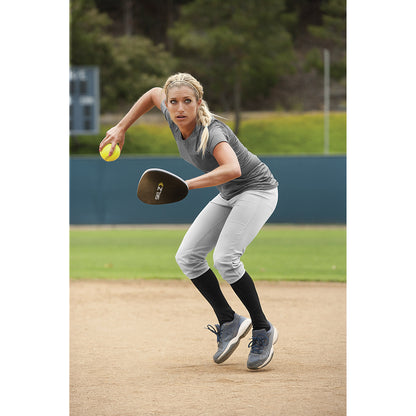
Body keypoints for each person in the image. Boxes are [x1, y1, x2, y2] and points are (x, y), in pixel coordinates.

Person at [99, 73, 279, 370]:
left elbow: (232, 168)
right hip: (229, 193)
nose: (180, 108)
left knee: (225, 259)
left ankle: (262, 328)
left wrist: (187, 185)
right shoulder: (172, 116)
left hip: (256, 189)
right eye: (174, 102)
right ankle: (229, 321)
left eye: (187, 101)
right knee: (188, 256)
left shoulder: (213, 131)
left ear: (198, 103)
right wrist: (121, 127)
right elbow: (152, 92)